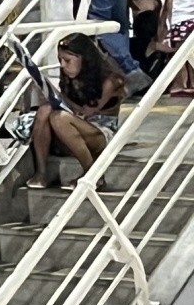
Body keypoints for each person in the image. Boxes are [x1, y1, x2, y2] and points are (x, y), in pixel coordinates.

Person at [28, 33, 125, 189]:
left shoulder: (110, 80)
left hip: (100, 132)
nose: (62, 65)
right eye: (60, 60)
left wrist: (62, 101)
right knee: (45, 110)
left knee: (59, 117)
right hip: (72, 129)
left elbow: (87, 111)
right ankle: (41, 173)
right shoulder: (69, 76)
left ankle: (93, 174)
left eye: (67, 60)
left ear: (83, 58)